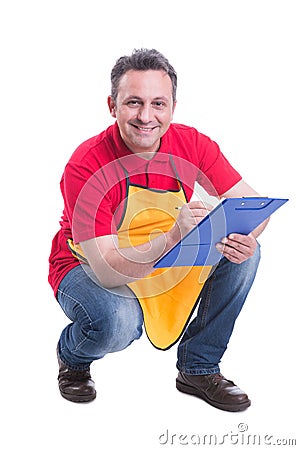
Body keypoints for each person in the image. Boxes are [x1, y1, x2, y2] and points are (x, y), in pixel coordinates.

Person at [48, 48, 268, 412]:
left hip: (164, 250)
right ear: (112, 105)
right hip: (88, 263)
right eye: (134, 102)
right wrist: (170, 240)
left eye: (158, 104)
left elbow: (254, 206)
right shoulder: (86, 166)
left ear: (173, 107)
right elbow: (106, 268)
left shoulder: (193, 144)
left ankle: (199, 368)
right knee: (118, 324)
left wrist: (247, 236)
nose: (146, 117)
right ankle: (72, 357)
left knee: (245, 254)